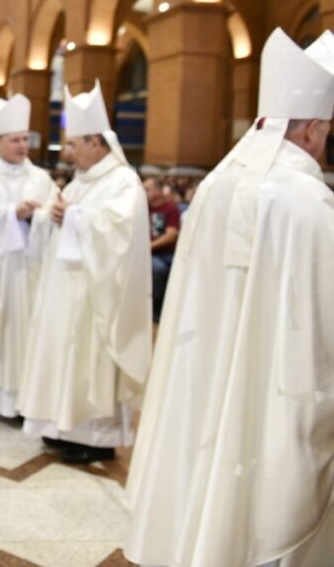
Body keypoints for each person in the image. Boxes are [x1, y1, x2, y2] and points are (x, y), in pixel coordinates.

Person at [126, 28, 334, 567]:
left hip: (203, 369)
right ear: (312, 129)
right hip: (275, 385)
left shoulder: (215, 187)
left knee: (207, 456)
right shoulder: (311, 204)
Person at [16, 80, 152, 464]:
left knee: (90, 359)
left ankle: (97, 438)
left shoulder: (123, 182)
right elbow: (60, 214)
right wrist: (51, 215)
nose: (68, 153)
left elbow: (119, 231)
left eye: (74, 145)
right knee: (66, 357)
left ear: (95, 142)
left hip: (98, 295)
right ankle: (65, 429)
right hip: (67, 290)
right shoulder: (82, 182)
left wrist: (75, 217)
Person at [0, 94, 57, 419]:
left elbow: (54, 213)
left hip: (28, 270)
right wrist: (11, 213)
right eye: (16, 140)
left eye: (25, 139)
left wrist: (39, 216)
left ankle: (24, 400)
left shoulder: (40, 179)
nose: (23, 145)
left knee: (26, 330)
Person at [143, 175, 180, 322]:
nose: (143, 192)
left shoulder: (170, 208)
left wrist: (149, 246)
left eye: (147, 189)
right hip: (146, 254)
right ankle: (152, 309)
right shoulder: (142, 208)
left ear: (157, 191)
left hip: (164, 252)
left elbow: (171, 235)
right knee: (158, 269)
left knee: (169, 268)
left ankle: (161, 310)